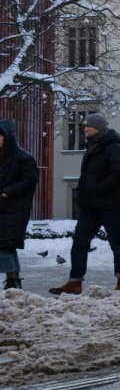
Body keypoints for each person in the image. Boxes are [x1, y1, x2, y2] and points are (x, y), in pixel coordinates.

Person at [50, 114, 120, 295]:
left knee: (116, 243)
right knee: (79, 242)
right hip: (90, 206)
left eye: (89, 127)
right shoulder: (92, 149)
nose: (85, 129)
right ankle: (75, 282)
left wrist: (98, 188)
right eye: (85, 126)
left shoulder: (115, 148)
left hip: (110, 205)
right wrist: (81, 194)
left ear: (99, 128)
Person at [0, 120, 38, 290]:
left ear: (7, 137)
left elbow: (30, 180)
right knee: (7, 244)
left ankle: (11, 281)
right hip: (4, 207)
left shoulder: (23, 157)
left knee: (4, 244)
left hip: (15, 208)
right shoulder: (3, 156)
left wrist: (7, 192)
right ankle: (13, 279)